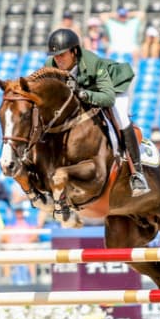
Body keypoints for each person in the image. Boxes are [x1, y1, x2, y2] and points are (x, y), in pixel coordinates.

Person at [44, 28, 149, 195]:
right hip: (87, 91)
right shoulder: (50, 66)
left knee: (121, 117)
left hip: (113, 88)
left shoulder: (93, 63)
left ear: (74, 51)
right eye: (55, 56)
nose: (58, 60)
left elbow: (108, 98)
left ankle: (137, 173)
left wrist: (83, 94)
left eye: (62, 55)